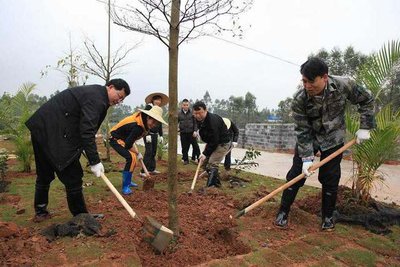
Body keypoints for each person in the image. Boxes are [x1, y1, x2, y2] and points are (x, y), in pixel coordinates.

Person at [274, 57, 375, 231]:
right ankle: (283, 211)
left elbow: (366, 99)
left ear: (324, 77)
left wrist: (365, 127)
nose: (307, 86)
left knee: (330, 177)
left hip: (334, 137)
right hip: (310, 137)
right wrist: (306, 158)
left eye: (311, 81)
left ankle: (328, 216)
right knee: (296, 174)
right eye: (304, 81)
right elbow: (302, 129)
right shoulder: (300, 99)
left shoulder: (344, 85)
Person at [25, 79, 130, 222]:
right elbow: (87, 131)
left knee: (44, 174)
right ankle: (81, 216)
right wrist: (95, 161)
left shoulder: (94, 94)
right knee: (73, 176)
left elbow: (78, 124)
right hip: (53, 132)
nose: (119, 101)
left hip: (41, 128)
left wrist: (84, 149)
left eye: (122, 100)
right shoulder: (98, 98)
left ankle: (40, 212)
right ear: (111, 87)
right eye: (119, 96)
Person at [110, 105, 167, 195]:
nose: (153, 124)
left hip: (124, 139)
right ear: (148, 117)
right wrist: (137, 153)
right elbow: (128, 144)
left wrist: (137, 153)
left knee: (134, 160)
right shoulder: (138, 127)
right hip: (115, 138)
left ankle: (128, 181)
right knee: (131, 158)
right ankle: (125, 186)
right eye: (153, 121)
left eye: (156, 123)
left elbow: (132, 140)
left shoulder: (143, 122)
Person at [192, 101, 231, 187]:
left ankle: (211, 186)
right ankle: (217, 182)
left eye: (200, 113)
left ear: (206, 110)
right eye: (195, 113)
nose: (197, 115)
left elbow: (215, 140)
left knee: (212, 163)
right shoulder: (199, 119)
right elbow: (211, 140)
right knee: (205, 163)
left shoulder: (212, 121)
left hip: (222, 143)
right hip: (212, 142)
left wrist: (205, 153)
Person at [140, 93, 169, 176]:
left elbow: (159, 123)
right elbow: (145, 121)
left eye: (159, 100)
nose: (158, 102)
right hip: (148, 133)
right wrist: (147, 133)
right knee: (148, 151)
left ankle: (151, 169)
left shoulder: (159, 110)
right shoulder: (149, 108)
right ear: (153, 100)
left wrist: (161, 135)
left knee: (153, 152)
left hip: (155, 134)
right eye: (156, 100)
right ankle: (143, 171)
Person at [178, 99, 201, 165]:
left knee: (196, 146)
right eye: (184, 105)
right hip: (183, 133)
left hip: (191, 133)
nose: (185, 106)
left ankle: (199, 160)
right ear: (182, 105)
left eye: (187, 105)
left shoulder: (192, 113)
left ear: (189, 105)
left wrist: (195, 131)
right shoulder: (179, 113)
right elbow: (176, 122)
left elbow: (195, 123)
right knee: (184, 147)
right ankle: (185, 160)